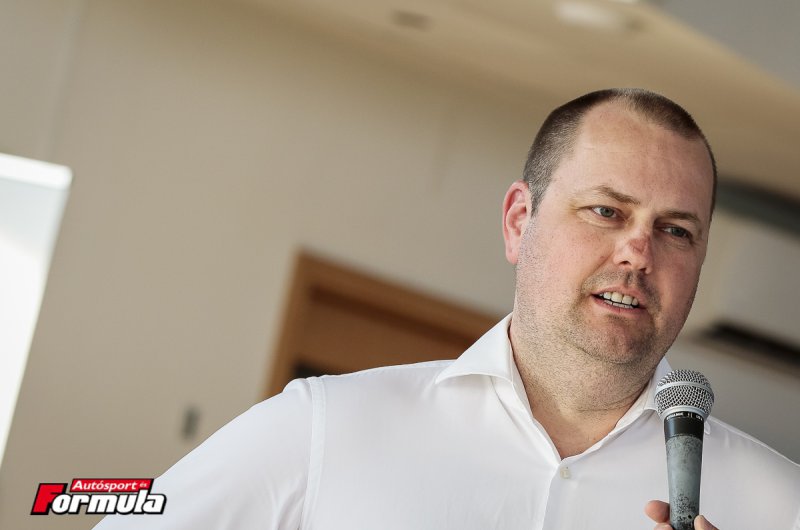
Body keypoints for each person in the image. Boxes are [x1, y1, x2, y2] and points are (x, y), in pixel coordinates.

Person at [95, 89, 800, 529]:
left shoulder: (780, 505)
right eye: (606, 211)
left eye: (676, 231)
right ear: (519, 221)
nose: (639, 253)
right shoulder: (323, 428)